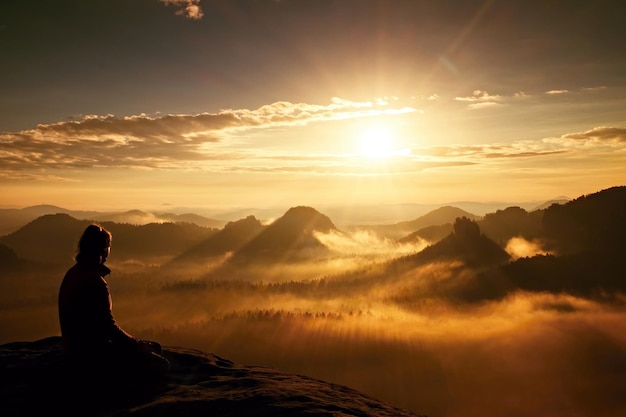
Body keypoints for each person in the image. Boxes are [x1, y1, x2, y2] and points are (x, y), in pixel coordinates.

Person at [58, 224, 169, 391]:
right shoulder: (94, 282)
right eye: (108, 247)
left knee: (153, 348)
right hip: (91, 356)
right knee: (161, 364)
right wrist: (138, 344)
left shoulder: (73, 274)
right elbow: (109, 328)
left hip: (73, 351)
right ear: (103, 250)